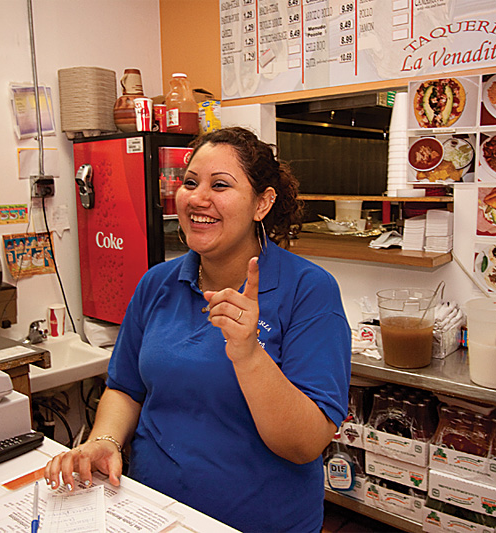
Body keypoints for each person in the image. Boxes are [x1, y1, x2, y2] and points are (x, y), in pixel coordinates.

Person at [44, 126, 351, 532]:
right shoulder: (157, 282)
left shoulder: (308, 290)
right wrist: (104, 440)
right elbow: (125, 388)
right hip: (152, 511)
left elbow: (305, 444)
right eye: (190, 182)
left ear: (262, 203)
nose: (197, 198)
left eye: (220, 185)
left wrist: (249, 355)